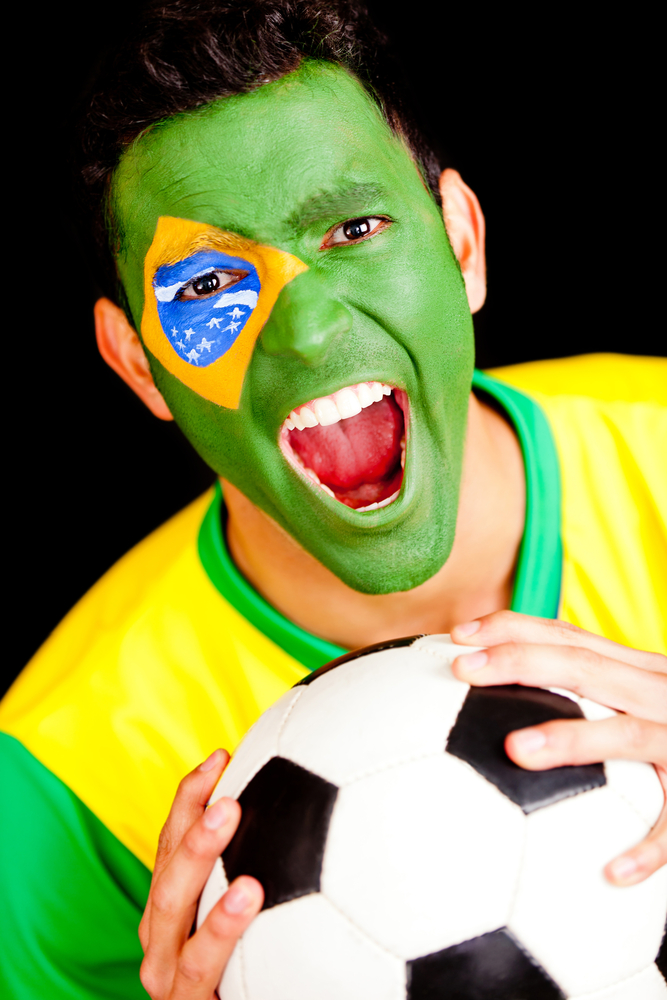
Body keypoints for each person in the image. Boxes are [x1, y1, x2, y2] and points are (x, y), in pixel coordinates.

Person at [1, 1, 665, 997]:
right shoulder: (68, 768)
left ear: (462, 240)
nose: (306, 331)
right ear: (138, 364)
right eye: (206, 286)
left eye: (354, 227)